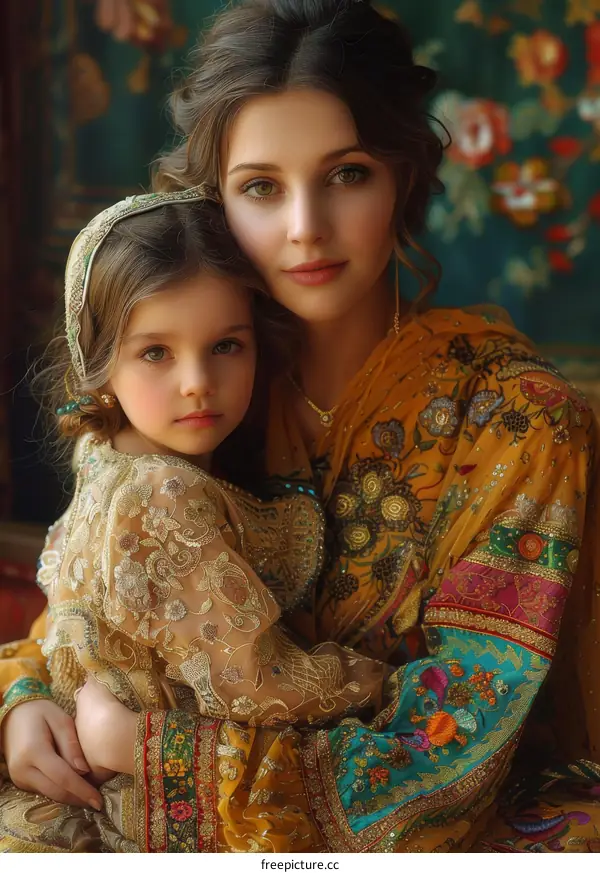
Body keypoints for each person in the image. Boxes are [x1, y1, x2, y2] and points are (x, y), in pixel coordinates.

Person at [2, 0, 600, 853]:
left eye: (346, 174)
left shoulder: (513, 420)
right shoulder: (209, 391)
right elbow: (96, 600)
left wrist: (150, 750)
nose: (303, 228)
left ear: (401, 174)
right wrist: (24, 706)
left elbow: (452, 756)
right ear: (215, 201)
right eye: (260, 187)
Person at [0, 185, 387, 851]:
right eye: (156, 351)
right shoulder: (163, 495)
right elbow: (253, 684)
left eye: (226, 346)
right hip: (135, 803)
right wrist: (377, 684)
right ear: (98, 366)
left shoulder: (103, 455)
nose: (196, 382)